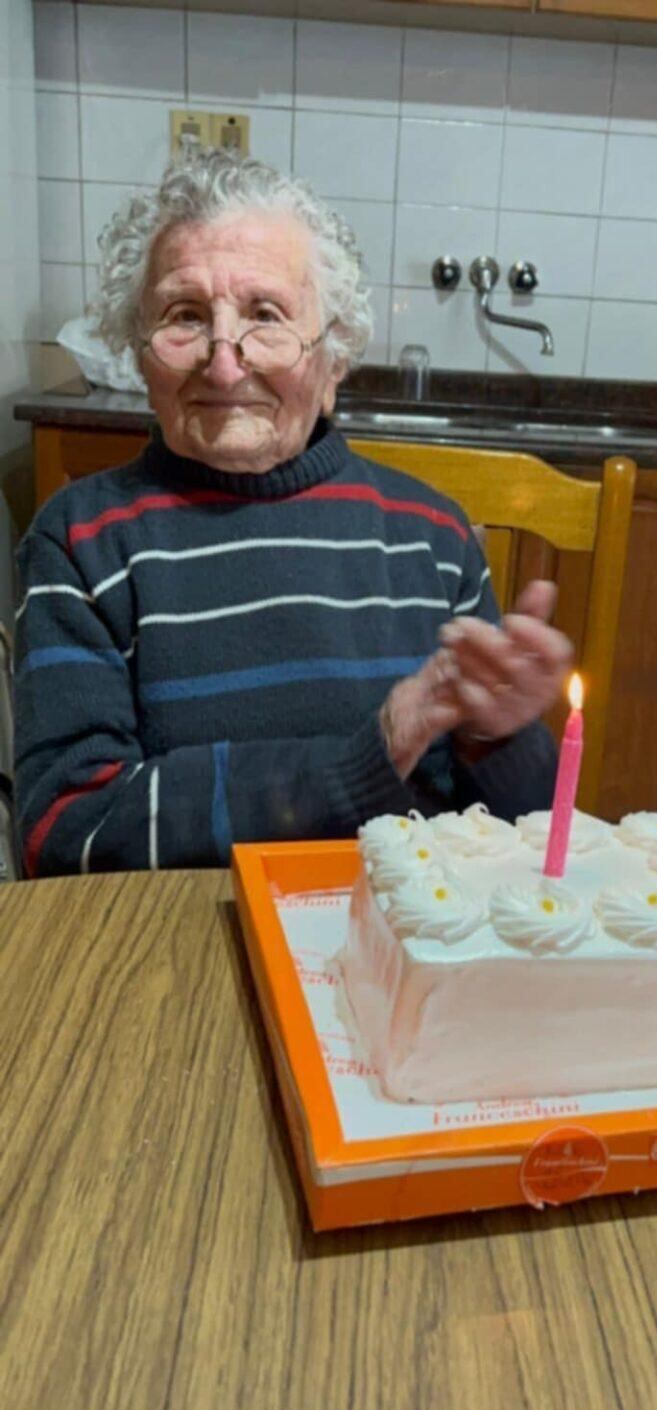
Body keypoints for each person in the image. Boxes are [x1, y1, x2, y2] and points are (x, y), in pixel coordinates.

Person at [14, 150, 570, 877]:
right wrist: (360, 765)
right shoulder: (80, 542)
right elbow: (65, 831)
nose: (222, 363)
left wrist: (499, 738)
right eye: (185, 317)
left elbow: (530, 829)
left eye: (266, 316)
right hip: (180, 954)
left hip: (412, 953)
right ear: (139, 355)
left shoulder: (435, 539)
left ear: (333, 359)